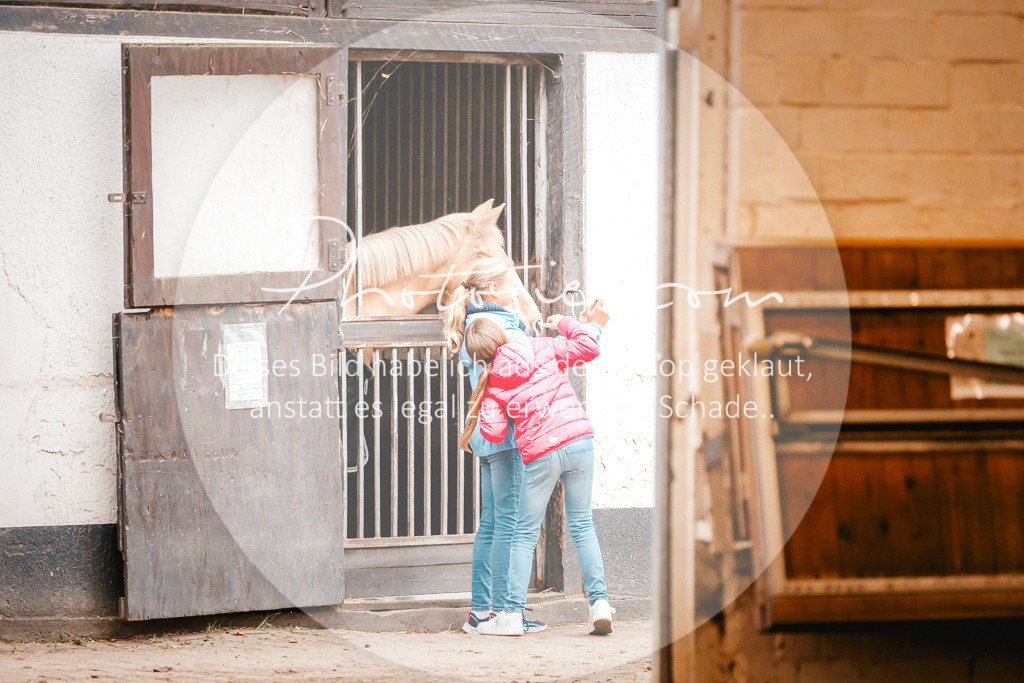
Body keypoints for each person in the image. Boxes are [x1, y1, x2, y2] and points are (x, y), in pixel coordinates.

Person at [443, 256, 605, 635]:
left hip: (486, 431)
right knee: (511, 523)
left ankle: (481, 611)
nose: (518, 291)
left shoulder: (472, 323)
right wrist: (584, 328)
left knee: (492, 521)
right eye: (512, 284)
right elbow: (536, 363)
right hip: (511, 435)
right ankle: (502, 612)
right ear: (496, 289)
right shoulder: (505, 329)